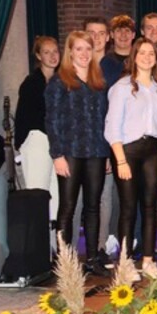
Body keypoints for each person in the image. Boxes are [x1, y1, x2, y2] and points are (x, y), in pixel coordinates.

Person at [45, 32, 110, 266]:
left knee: (93, 207)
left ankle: (92, 258)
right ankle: (65, 262)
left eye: (88, 49)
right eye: (79, 49)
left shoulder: (99, 82)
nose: (84, 54)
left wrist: (107, 154)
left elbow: (104, 120)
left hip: (96, 151)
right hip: (70, 152)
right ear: (70, 52)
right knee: (68, 206)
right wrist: (57, 155)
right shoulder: (59, 81)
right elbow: (52, 120)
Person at [105, 38, 157, 264]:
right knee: (128, 207)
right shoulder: (122, 87)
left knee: (151, 207)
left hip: (153, 151)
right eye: (142, 52)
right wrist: (120, 161)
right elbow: (112, 127)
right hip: (128, 152)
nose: (147, 57)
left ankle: (149, 260)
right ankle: (125, 262)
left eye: (151, 53)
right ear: (134, 56)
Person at [15, 36, 62, 244]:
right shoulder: (32, 83)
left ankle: (52, 248)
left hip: (55, 142)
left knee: (55, 197)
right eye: (46, 52)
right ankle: (37, 248)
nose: (52, 56)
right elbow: (28, 117)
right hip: (37, 140)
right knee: (38, 195)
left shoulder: (60, 81)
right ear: (38, 56)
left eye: (55, 51)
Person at [101, 14, 135, 89]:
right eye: (119, 31)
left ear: (133, 35)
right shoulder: (106, 62)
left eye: (127, 30)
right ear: (112, 34)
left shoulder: (140, 60)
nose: (123, 35)